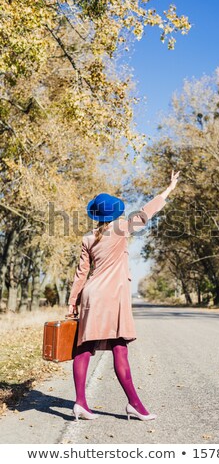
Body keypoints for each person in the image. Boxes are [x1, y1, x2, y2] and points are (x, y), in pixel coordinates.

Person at [68, 170, 180, 421]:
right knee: (119, 348)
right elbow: (146, 212)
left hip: (90, 296)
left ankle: (80, 403)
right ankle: (135, 405)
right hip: (112, 298)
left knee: (84, 348)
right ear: (115, 213)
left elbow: (81, 274)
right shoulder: (120, 229)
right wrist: (168, 189)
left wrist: (72, 302)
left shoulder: (87, 238)